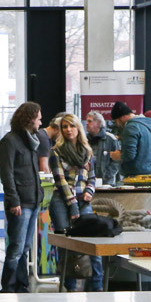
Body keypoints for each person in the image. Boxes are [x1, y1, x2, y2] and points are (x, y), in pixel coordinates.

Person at [48, 114, 100, 292]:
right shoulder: (56, 151)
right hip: (62, 201)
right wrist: (73, 204)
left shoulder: (87, 151)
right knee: (65, 244)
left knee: (92, 243)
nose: (68, 129)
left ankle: (97, 287)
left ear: (78, 128)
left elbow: (92, 177)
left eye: (71, 126)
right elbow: (60, 181)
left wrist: (89, 191)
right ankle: (69, 287)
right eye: (64, 127)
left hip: (83, 200)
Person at [0, 101, 45, 293]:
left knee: (25, 248)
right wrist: (14, 200)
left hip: (33, 200)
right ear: (30, 118)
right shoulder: (9, 141)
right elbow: (7, 174)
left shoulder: (31, 140)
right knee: (16, 248)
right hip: (20, 203)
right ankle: (8, 288)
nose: (41, 123)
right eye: (39, 119)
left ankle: (21, 285)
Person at [111, 102, 151, 178]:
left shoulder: (131, 127)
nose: (118, 124)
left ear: (122, 117)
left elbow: (129, 155)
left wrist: (118, 155)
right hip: (150, 173)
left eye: (116, 121)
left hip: (135, 176)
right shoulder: (148, 126)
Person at [85, 110, 120, 186]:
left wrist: (107, 175)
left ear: (98, 123)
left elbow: (117, 160)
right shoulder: (83, 140)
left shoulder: (111, 139)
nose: (86, 123)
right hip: (87, 183)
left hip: (107, 184)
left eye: (89, 121)